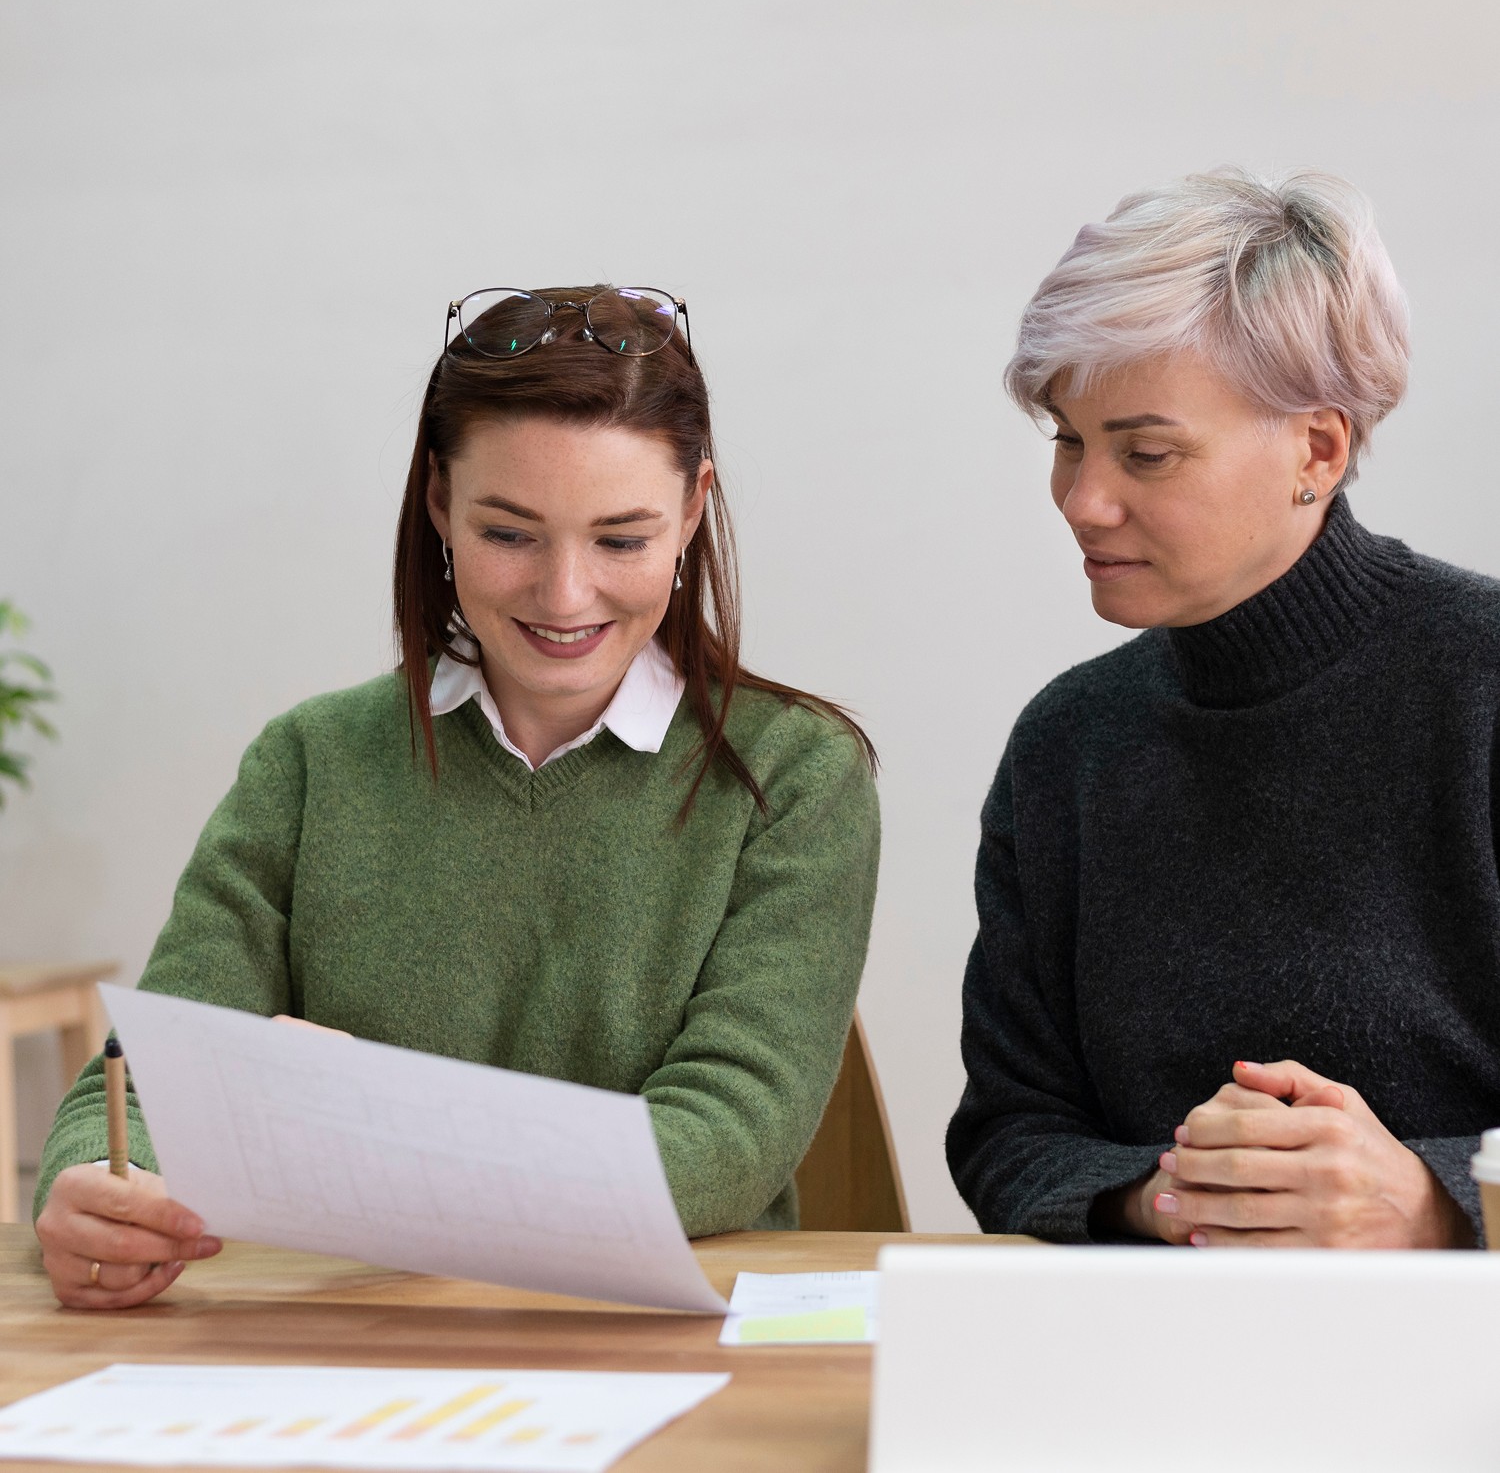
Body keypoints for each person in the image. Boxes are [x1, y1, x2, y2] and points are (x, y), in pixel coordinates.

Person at [35, 284, 881, 1307]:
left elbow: (721, 1143)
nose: (565, 595)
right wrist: (97, 1178)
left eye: (620, 539)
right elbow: (147, 1074)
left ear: (695, 507)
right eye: (510, 533)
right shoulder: (313, 761)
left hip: (657, 1341)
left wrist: (362, 1128)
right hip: (350, 1338)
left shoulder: (794, 775)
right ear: (440, 502)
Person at [947, 171, 1500, 1248]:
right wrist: (1171, 1196)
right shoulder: (1069, 745)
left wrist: (1432, 1200)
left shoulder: (1483, 689)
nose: (1081, 500)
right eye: (1068, 440)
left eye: (1146, 453)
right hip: (1148, 1359)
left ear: (1319, 449)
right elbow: (1010, 1132)